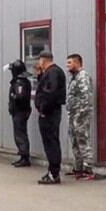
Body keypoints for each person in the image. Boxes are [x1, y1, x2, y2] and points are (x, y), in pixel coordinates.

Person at [35, 51, 67, 185]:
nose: (38, 64)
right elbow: (45, 88)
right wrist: (40, 76)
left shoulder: (53, 72)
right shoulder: (50, 72)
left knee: (51, 142)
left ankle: (54, 173)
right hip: (50, 111)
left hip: (49, 112)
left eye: (39, 61)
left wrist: (43, 109)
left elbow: (50, 92)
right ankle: (52, 171)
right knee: (49, 142)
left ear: (43, 60)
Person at [65, 54, 95, 180]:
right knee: (75, 142)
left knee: (83, 141)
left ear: (77, 63)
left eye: (69, 63)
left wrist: (80, 115)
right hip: (73, 115)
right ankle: (78, 168)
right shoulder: (74, 78)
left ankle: (88, 170)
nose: (67, 66)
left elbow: (86, 97)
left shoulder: (83, 77)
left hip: (80, 116)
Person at [7, 59, 32, 168]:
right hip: (20, 111)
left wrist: (13, 97)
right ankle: (23, 155)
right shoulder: (21, 80)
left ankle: (24, 157)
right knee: (20, 133)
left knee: (20, 134)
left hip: (20, 111)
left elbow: (20, 96)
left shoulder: (20, 82)